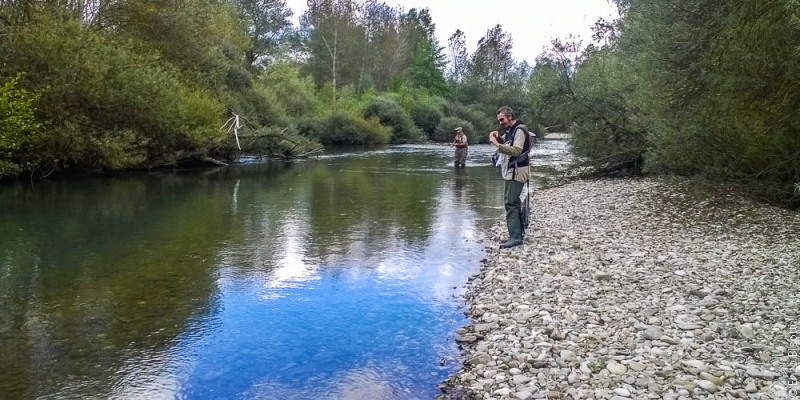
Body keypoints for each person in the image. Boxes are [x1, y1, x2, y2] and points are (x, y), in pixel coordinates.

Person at [488, 106, 531, 248]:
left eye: (502, 119)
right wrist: (497, 138)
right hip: (512, 170)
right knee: (512, 202)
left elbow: (516, 151)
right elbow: (506, 142)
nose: (500, 122)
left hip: (518, 171)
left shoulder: (519, 130)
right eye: (499, 120)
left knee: (510, 203)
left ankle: (515, 237)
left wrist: (496, 145)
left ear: (510, 116)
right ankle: (516, 234)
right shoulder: (512, 130)